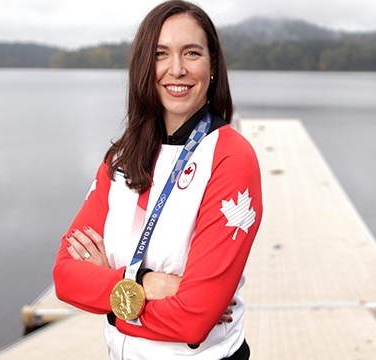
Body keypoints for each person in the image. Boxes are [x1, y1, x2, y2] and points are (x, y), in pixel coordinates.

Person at [53, 1, 262, 359]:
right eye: (160, 54)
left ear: (212, 66)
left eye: (191, 53)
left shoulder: (230, 157)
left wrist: (110, 290)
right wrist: (148, 283)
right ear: (143, 67)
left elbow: (193, 319)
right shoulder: (119, 158)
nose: (176, 69)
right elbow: (65, 276)